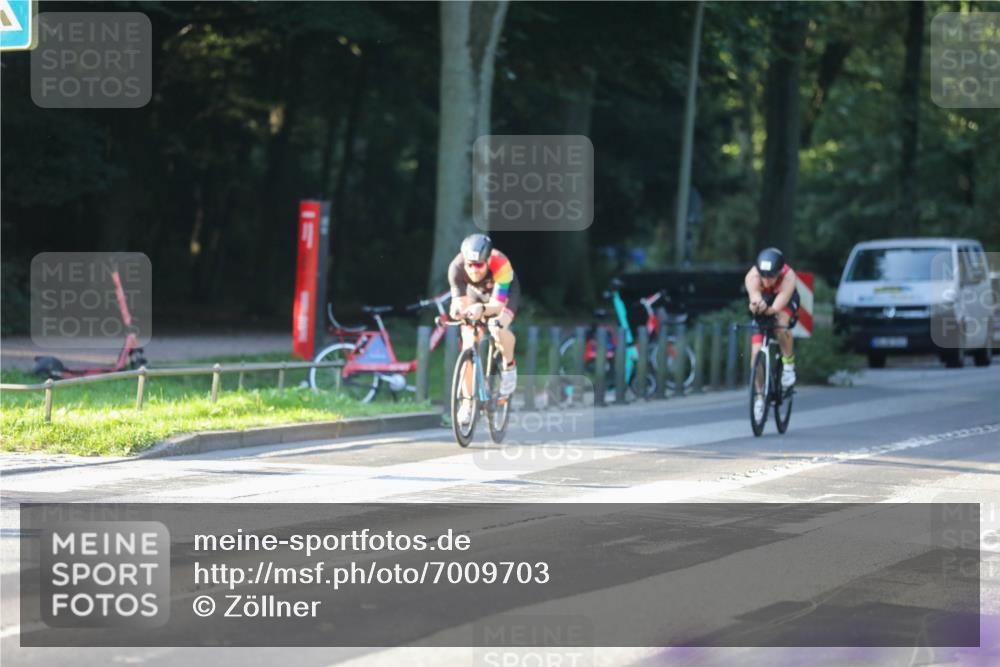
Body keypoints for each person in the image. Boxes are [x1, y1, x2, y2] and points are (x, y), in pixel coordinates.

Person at [448, 233, 520, 425]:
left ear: (488, 260)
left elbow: (497, 305)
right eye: (469, 265)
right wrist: (457, 311)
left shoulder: (501, 263)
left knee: (497, 328)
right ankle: (467, 404)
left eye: (479, 265)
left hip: (501, 294)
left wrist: (483, 310)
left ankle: (510, 366)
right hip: (475, 295)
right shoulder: (455, 267)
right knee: (468, 341)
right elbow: (458, 302)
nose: (473, 270)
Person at [745, 247, 799, 417]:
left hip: (784, 301)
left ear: (779, 272)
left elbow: (776, 308)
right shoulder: (752, 276)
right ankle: (759, 397)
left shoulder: (788, 277)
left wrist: (767, 309)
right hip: (765, 301)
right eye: (764, 276)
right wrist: (756, 304)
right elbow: (754, 296)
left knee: (780, 323)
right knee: (755, 356)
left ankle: (788, 365)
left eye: (772, 276)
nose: (767, 281)